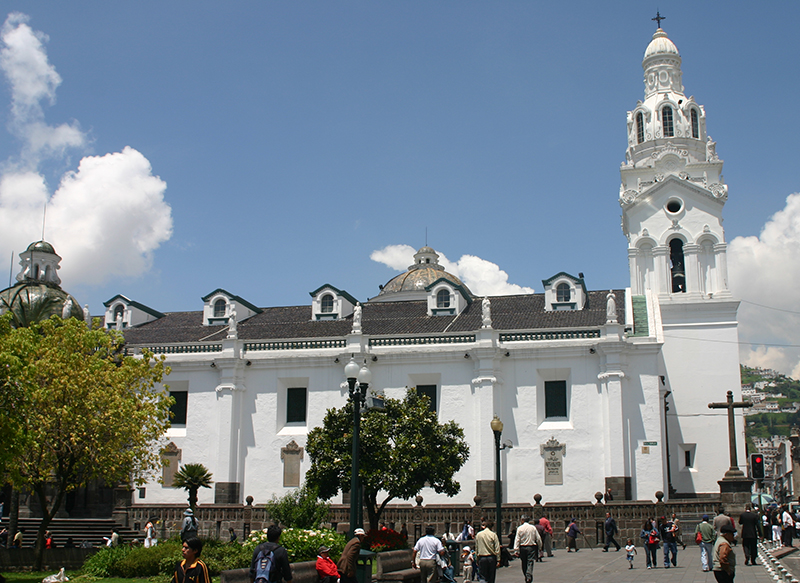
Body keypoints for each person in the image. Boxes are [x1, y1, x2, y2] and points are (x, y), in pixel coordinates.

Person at [511, 515, 542, 583]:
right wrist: (540, 547)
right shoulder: (532, 528)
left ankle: (526, 575)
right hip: (531, 546)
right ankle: (528, 575)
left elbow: (517, 539)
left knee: (524, 562)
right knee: (530, 561)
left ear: (522, 520)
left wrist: (516, 549)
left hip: (522, 547)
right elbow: (538, 538)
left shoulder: (520, 528)